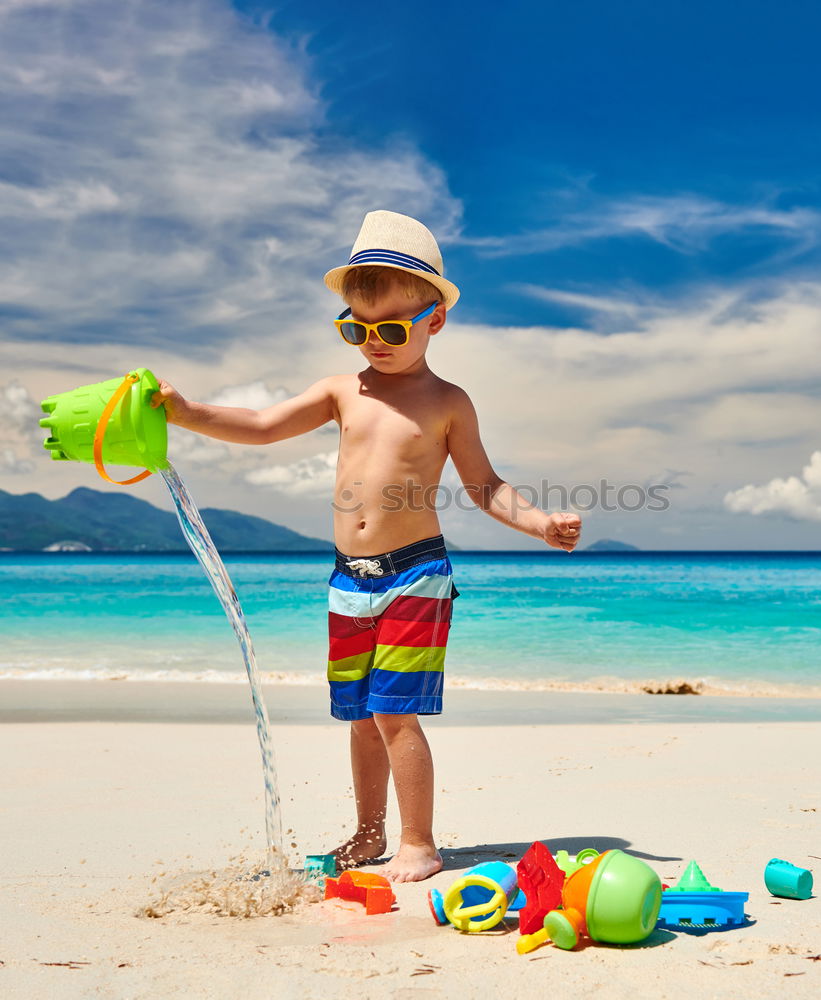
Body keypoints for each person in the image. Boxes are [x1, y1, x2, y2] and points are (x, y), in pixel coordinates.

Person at [150, 210, 582, 882]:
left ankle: (419, 840)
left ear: (434, 320)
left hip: (415, 573)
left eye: (388, 329)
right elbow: (262, 425)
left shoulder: (447, 401)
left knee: (393, 710)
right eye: (355, 327)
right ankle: (367, 832)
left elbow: (485, 487)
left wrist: (539, 525)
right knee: (359, 715)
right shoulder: (341, 390)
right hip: (347, 577)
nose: (371, 343)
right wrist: (185, 413)